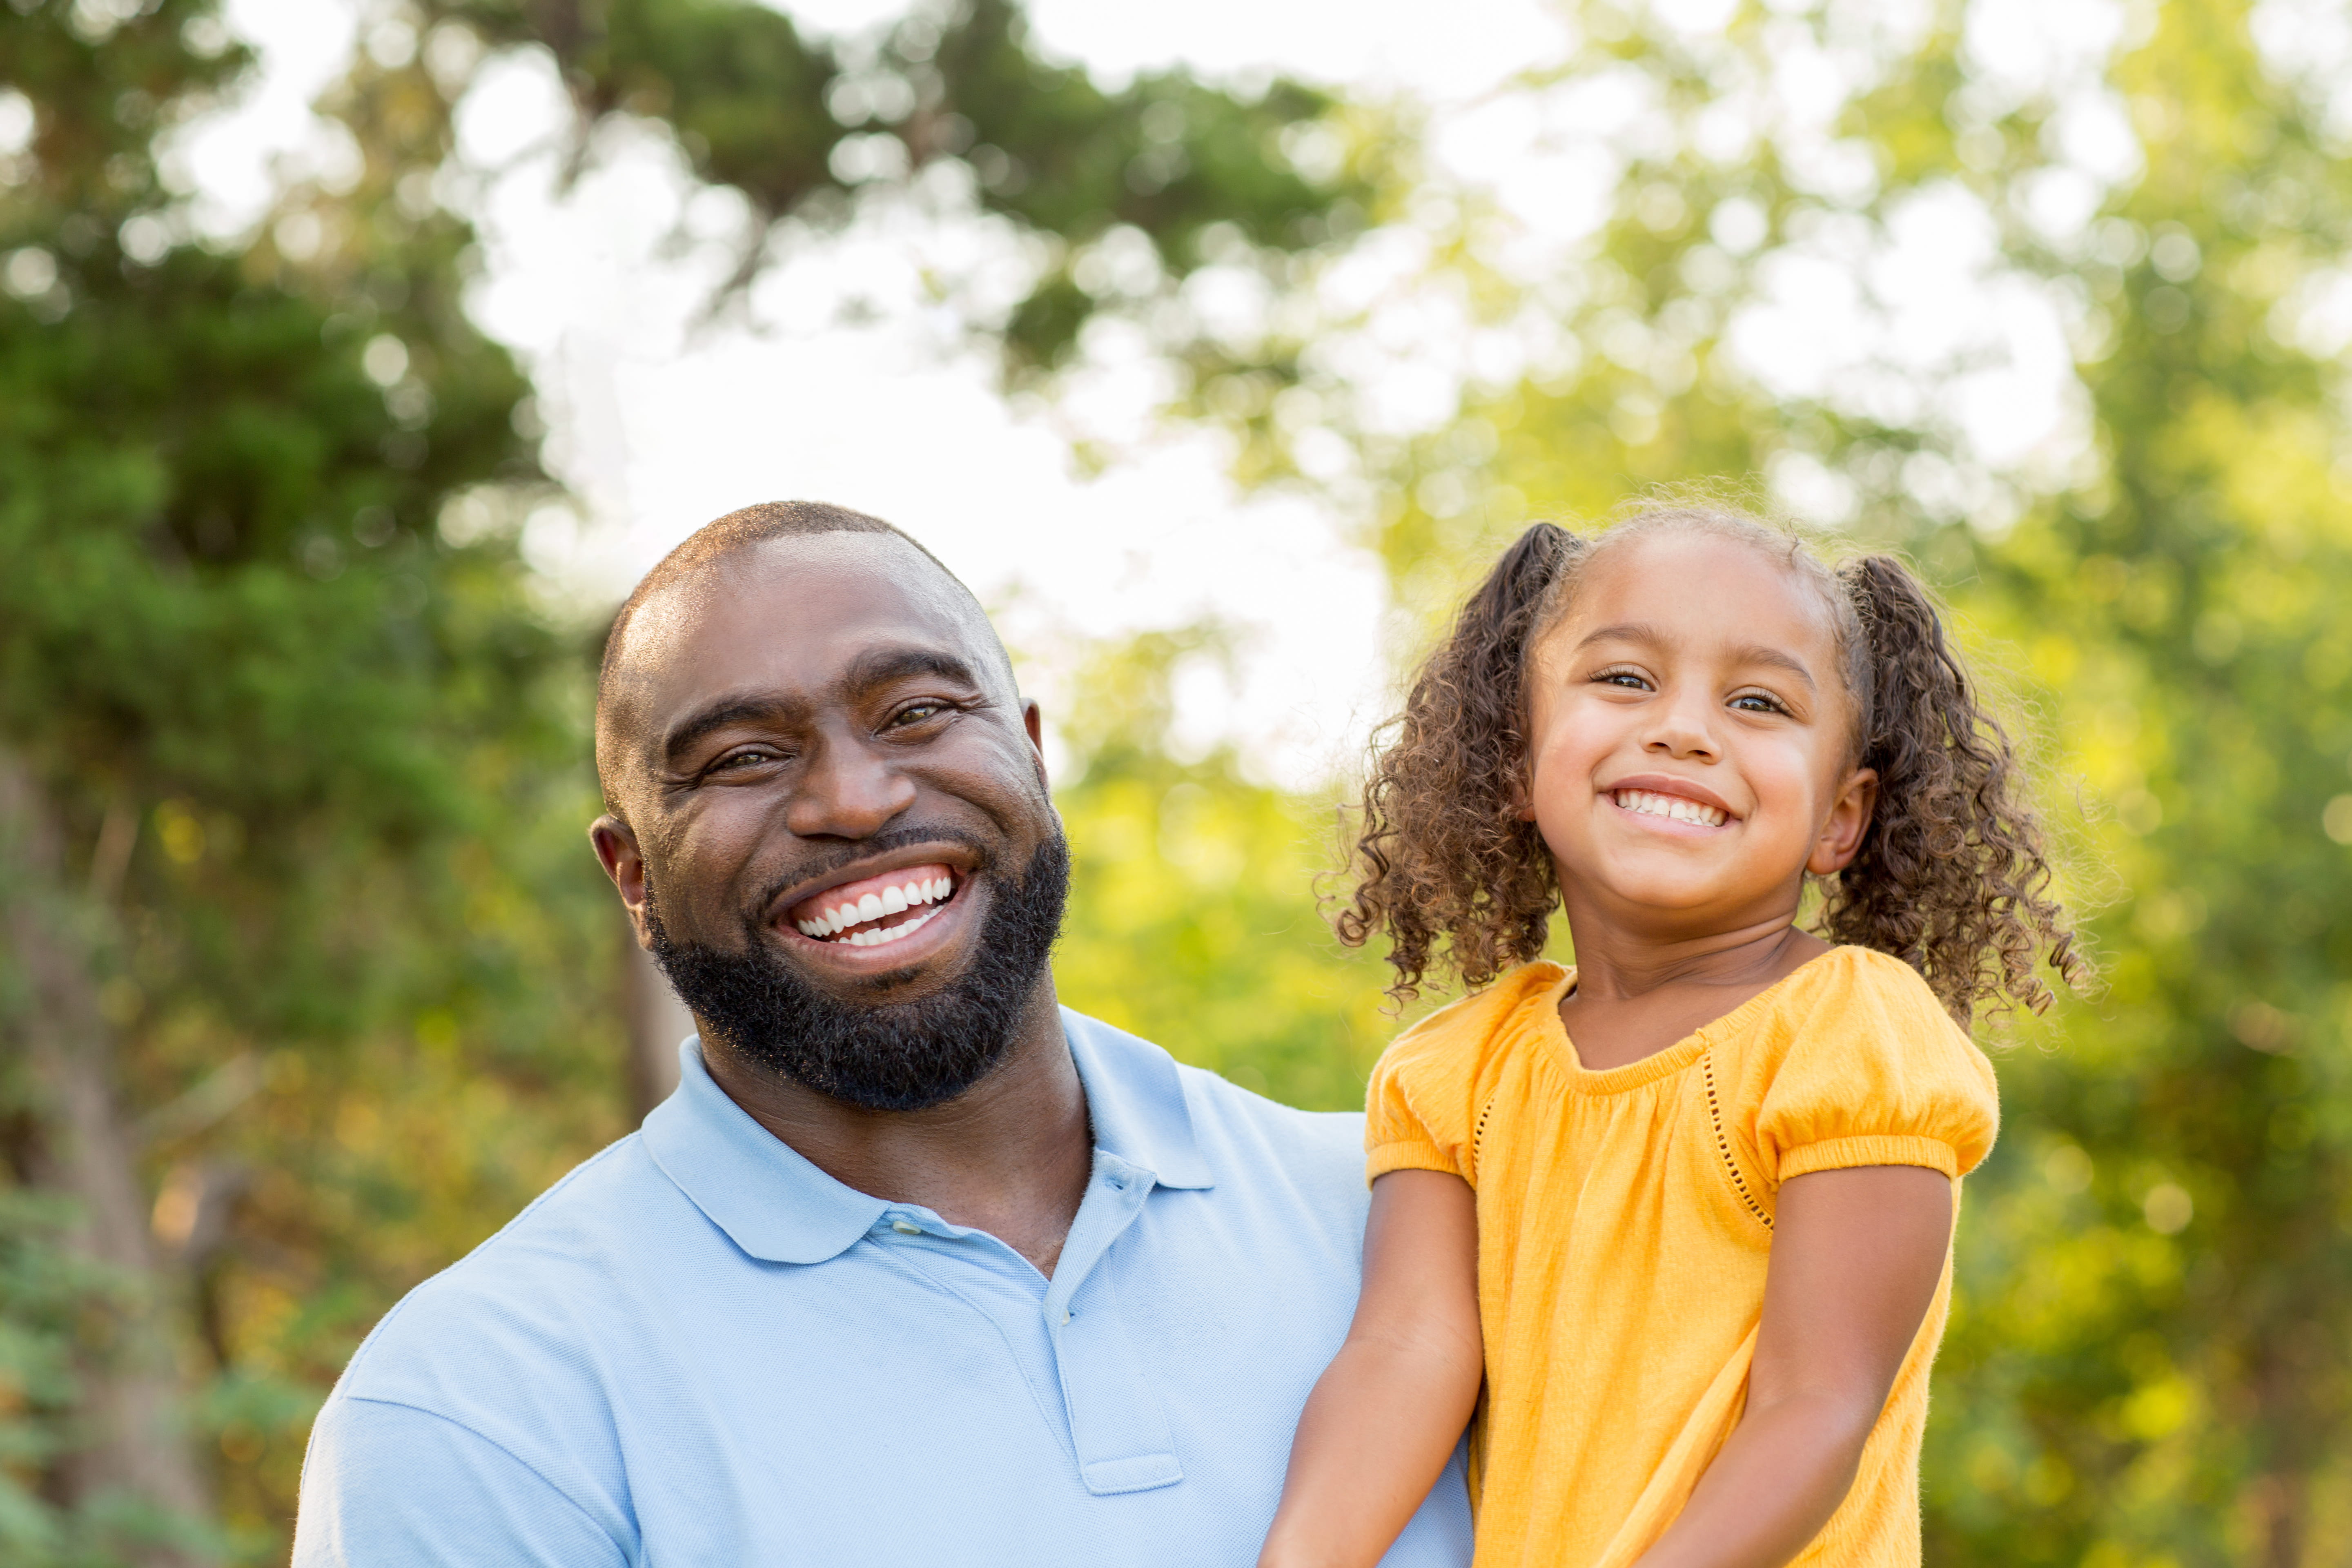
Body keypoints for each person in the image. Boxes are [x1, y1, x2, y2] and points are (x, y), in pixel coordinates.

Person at [290, 501, 1473, 1566]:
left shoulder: (1415, 1216)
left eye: (914, 712)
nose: (854, 801)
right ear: (633, 875)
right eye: (743, 759)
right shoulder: (478, 1407)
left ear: (1033, 755)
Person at [1257, 504, 2088, 1568]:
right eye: (1625, 680)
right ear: (1517, 759)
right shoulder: (1452, 1071)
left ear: (1842, 815)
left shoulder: (1850, 1034)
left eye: (1757, 701)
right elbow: (1406, 1349)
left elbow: (1817, 1405)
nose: (1684, 729)